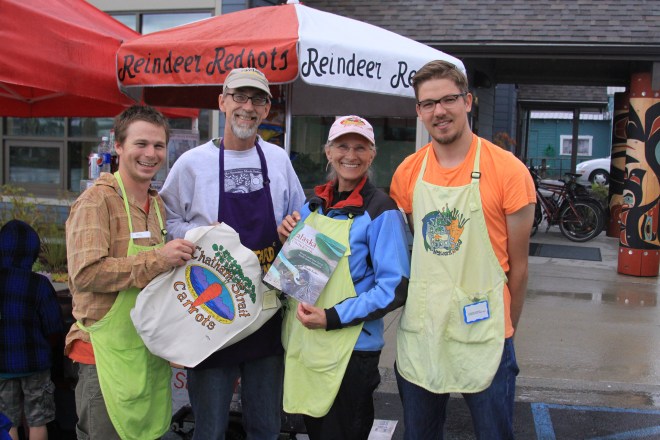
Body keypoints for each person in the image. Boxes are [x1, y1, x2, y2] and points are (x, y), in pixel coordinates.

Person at [389, 60, 536, 439]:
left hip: (486, 333)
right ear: (419, 112)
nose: (439, 111)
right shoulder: (407, 173)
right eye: (428, 103)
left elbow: (518, 269)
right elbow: (408, 251)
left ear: (468, 101)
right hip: (424, 331)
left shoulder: (508, 171)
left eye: (449, 99)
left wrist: (507, 332)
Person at [160, 67, 305, 440]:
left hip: (266, 310)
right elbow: (167, 219)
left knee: (265, 426)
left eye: (257, 99)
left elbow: (300, 218)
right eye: (239, 97)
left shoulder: (278, 160)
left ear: (268, 108)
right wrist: (198, 238)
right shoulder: (192, 164)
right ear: (222, 102)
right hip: (212, 310)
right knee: (209, 429)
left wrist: (293, 227)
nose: (248, 106)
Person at [65, 105, 196, 440]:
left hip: (148, 358)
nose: (150, 154)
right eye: (141, 144)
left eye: (158, 146)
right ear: (119, 146)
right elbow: (86, 274)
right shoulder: (96, 202)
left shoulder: (158, 206)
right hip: (104, 360)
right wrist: (159, 258)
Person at [277, 115, 410, 440]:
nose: (351, 155)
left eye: (360, 147)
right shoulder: (313, 206)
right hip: (307, 344)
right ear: (328, 152)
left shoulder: (382, 210)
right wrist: (288, 244)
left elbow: (395, 287)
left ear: (372, 154)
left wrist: (332, 316)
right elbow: (300, 279)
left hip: (352, 353)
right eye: (342, 146)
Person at [0, 220, 63, 440]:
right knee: (38, 421)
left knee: (7, 423)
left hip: (2, 368)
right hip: (36, 365)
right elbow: (54, 327)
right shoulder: (38, 284)